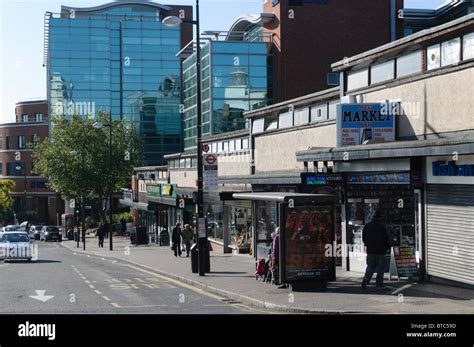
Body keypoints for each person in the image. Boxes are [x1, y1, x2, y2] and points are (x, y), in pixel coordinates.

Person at [362, 210, 391, 289]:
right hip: (380, 251)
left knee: (370, 266)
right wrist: (388, 247)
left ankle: (366, 279)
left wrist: (367, 245)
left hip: (370, 250)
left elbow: (364, 238)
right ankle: (379, 284)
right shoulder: (383, 227)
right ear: (380, 217)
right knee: (380, 268)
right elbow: (386, 238)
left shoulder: (367, 226)